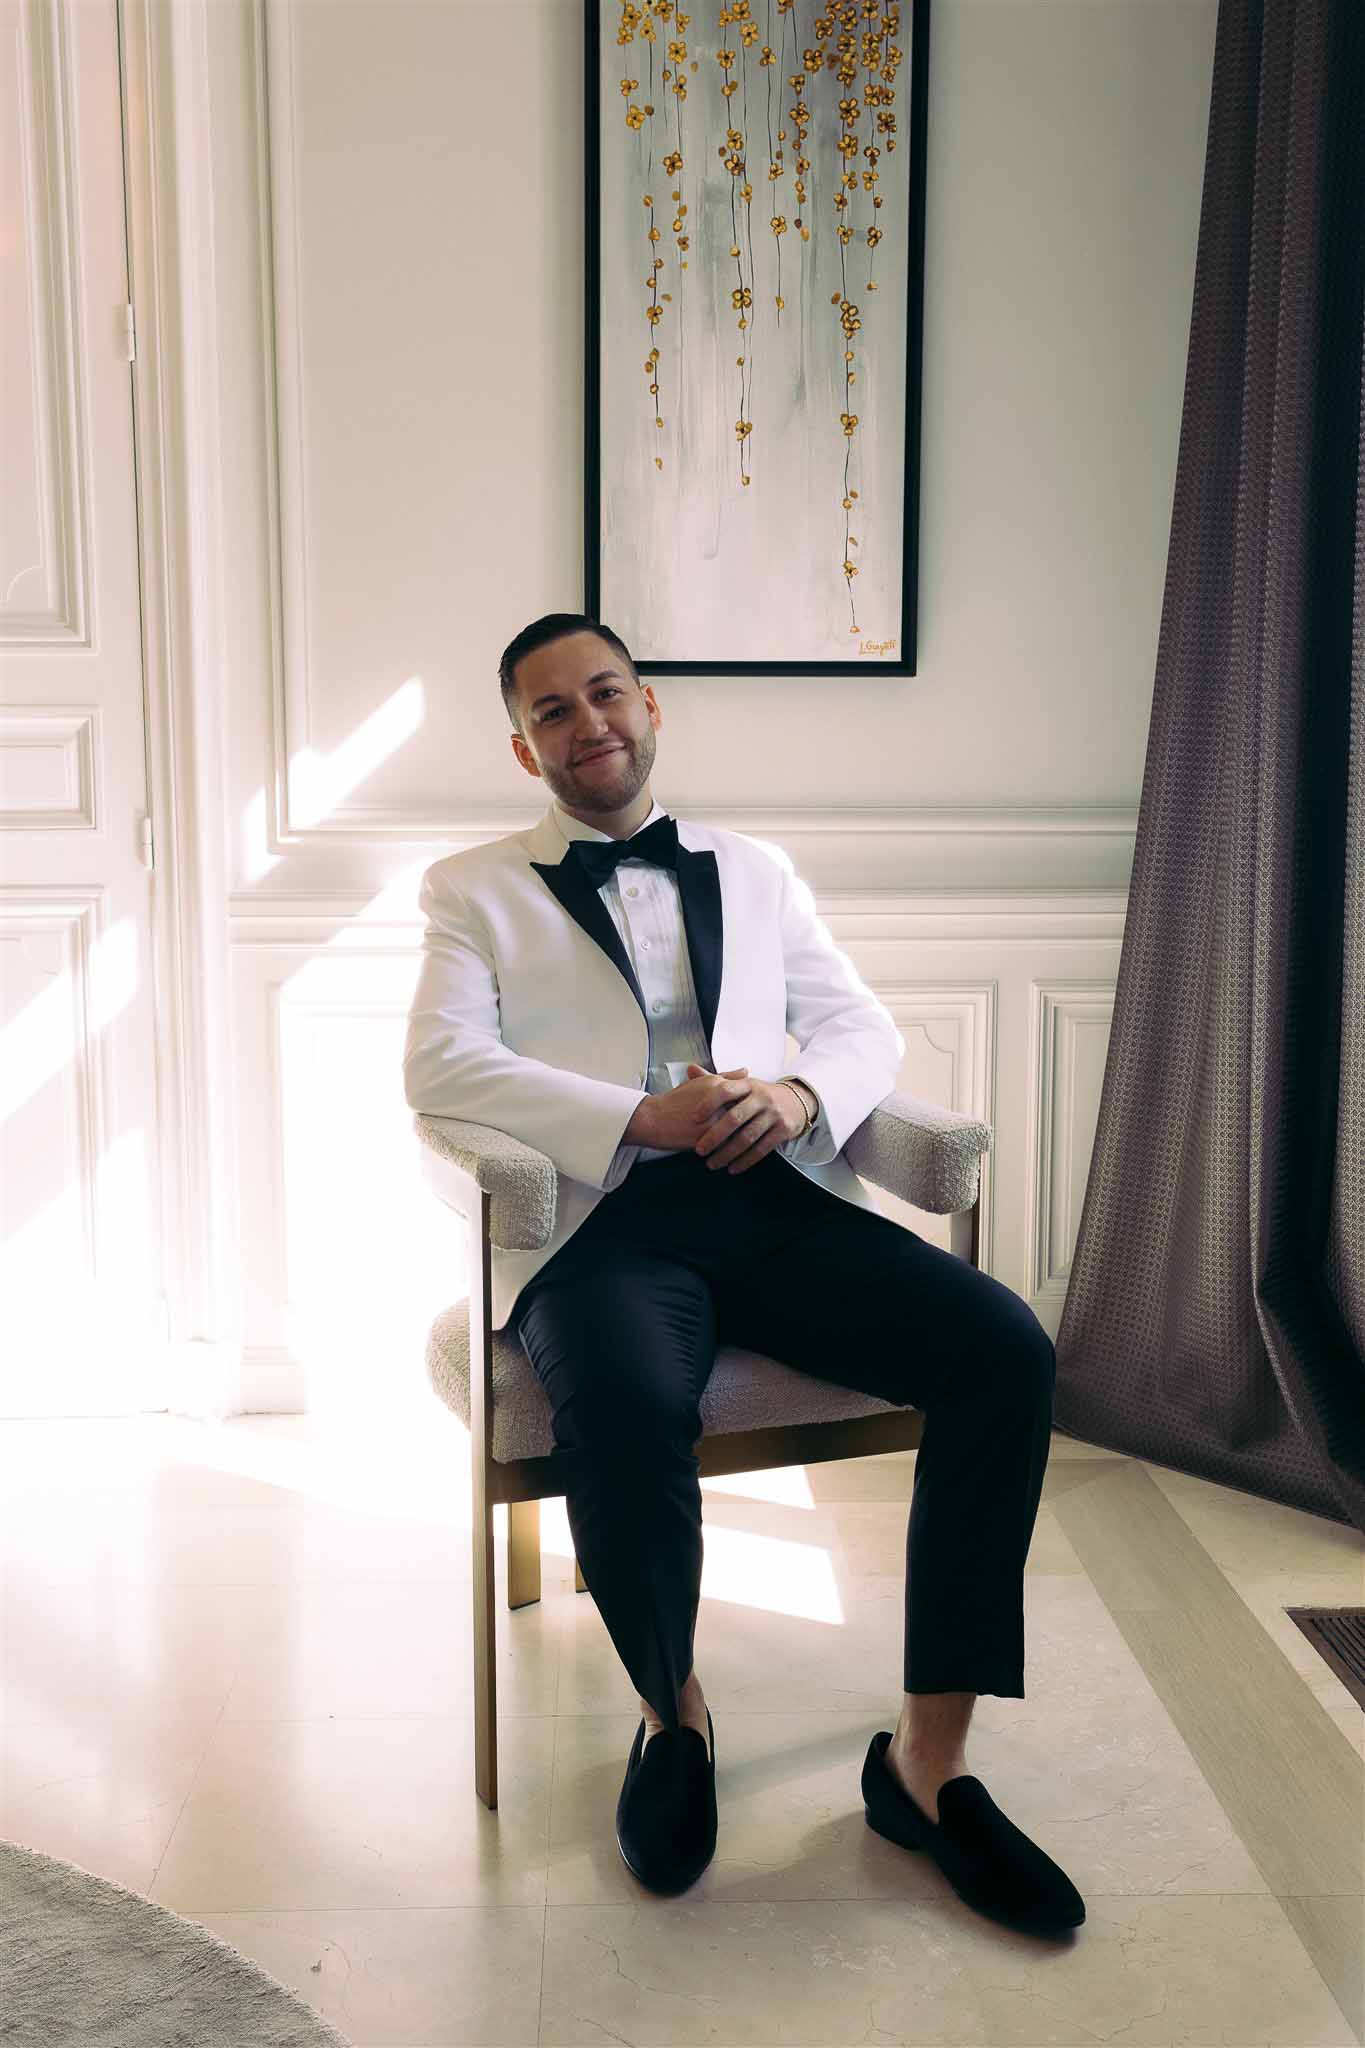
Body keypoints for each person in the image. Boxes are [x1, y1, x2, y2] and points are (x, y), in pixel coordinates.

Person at [403, 613, 1085, 1935]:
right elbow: (441, 1066)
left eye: (604, 694)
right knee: (625, 1399)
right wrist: (629, 1115)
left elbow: (856, 1025)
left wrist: (794, 1089)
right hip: (602, 1222)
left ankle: (925, 1766)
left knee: (1003, 1350)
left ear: (649, 707)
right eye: (553, 710)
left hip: (773, 1203)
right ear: (520, 744)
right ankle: (676, 1714)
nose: (586, 723)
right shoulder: (470, 888)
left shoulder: (755, 867)